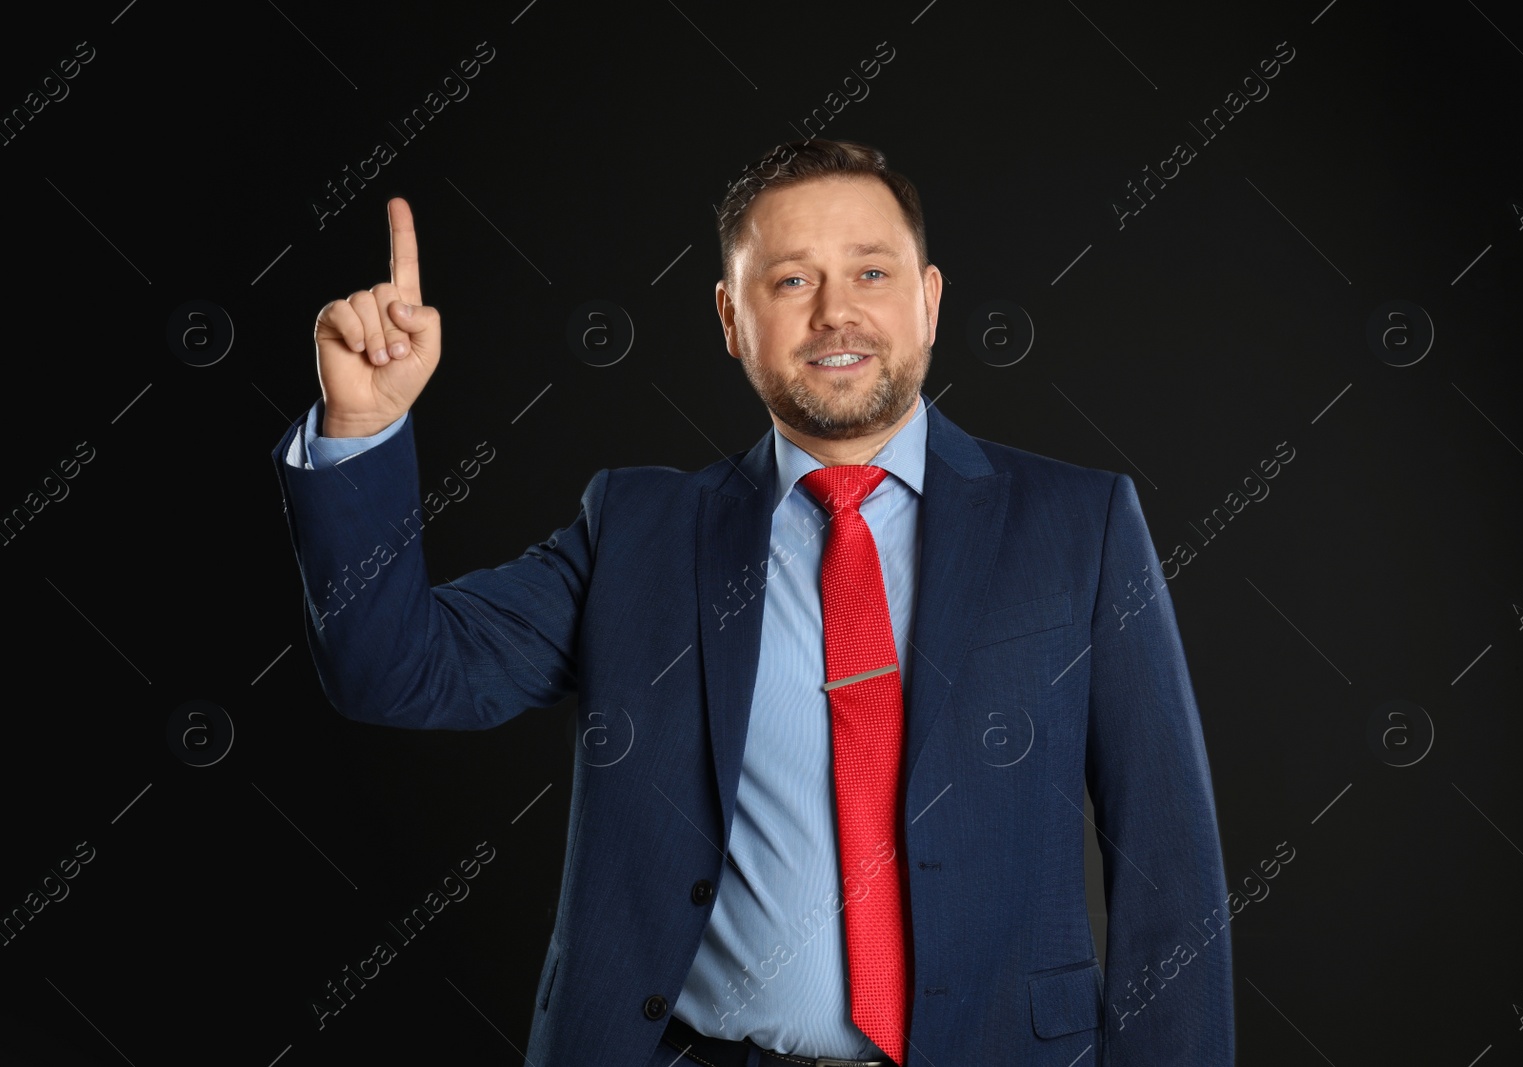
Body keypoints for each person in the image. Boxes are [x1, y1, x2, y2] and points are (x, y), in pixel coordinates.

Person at [272, 139, 1234, 1066]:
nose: (835, 315)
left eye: (870, 273)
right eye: (790, 281)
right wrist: (362, 428)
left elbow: (1170, 868)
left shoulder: (1081, 523)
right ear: (731, 319)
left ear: (930, 301)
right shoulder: (637, 532)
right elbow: (393, 672)